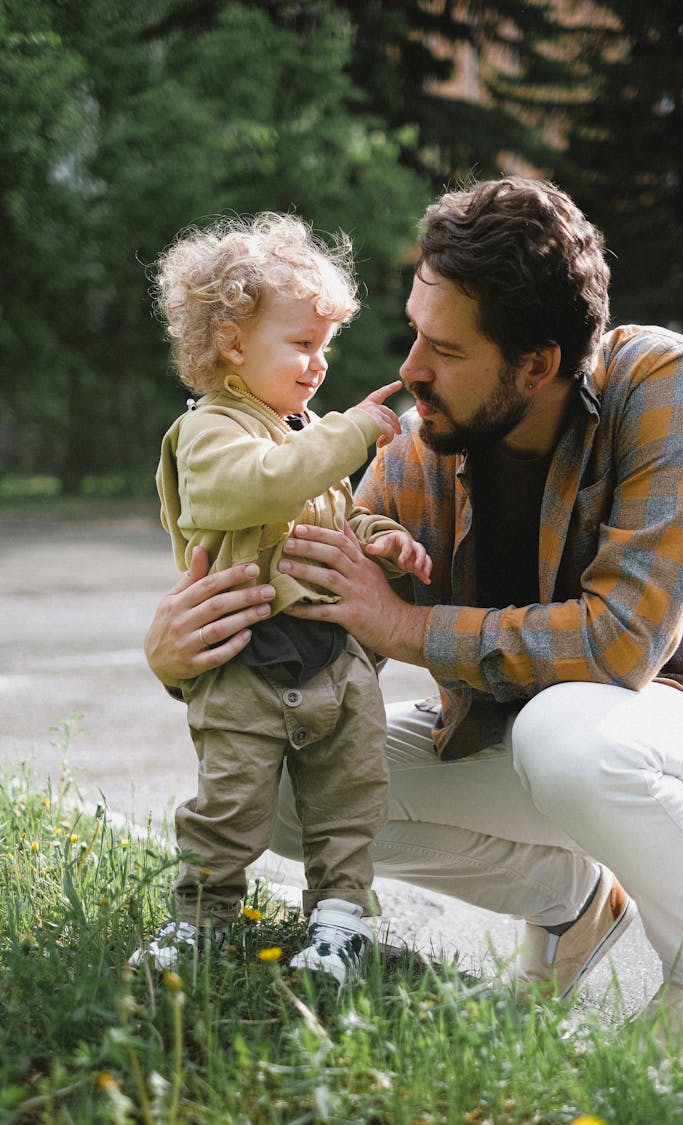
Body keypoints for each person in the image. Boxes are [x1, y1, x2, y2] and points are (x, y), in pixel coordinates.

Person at [143, 178, 683, 1062]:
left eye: (445, 347)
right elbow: (328, 617)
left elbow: (622, 643)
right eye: (415, 330)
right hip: (513, 738)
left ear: (536, 364)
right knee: (284, 787)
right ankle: (575, 903)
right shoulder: (423, 439)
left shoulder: (661, 383)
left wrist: (405, 629)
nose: (411, 366)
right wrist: (177, 653)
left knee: (567, 734)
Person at [130, 212, 431, 984]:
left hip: (331, 663)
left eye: (325, 346)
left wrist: (378, 535)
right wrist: (354, 431)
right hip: (245, 667)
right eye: (303, 344)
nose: (320, 364)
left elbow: (326, 504)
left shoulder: (296, 433)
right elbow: (258, 487)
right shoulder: (211, 432)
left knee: (350, 802)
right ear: (233, 343)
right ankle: (200, 918)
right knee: (229, 807)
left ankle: (338, 924)